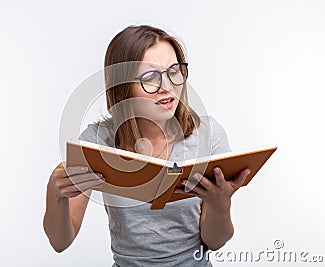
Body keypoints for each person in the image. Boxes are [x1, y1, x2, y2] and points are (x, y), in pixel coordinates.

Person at [43, 25, 251, 266]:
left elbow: (215, 241)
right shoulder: (98, 142)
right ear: (122, 89)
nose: (168, 86)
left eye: (174, 71)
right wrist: (54, 194)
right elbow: (60, 242)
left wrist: (219, 203)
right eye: (151, 78)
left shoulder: (208, 134)